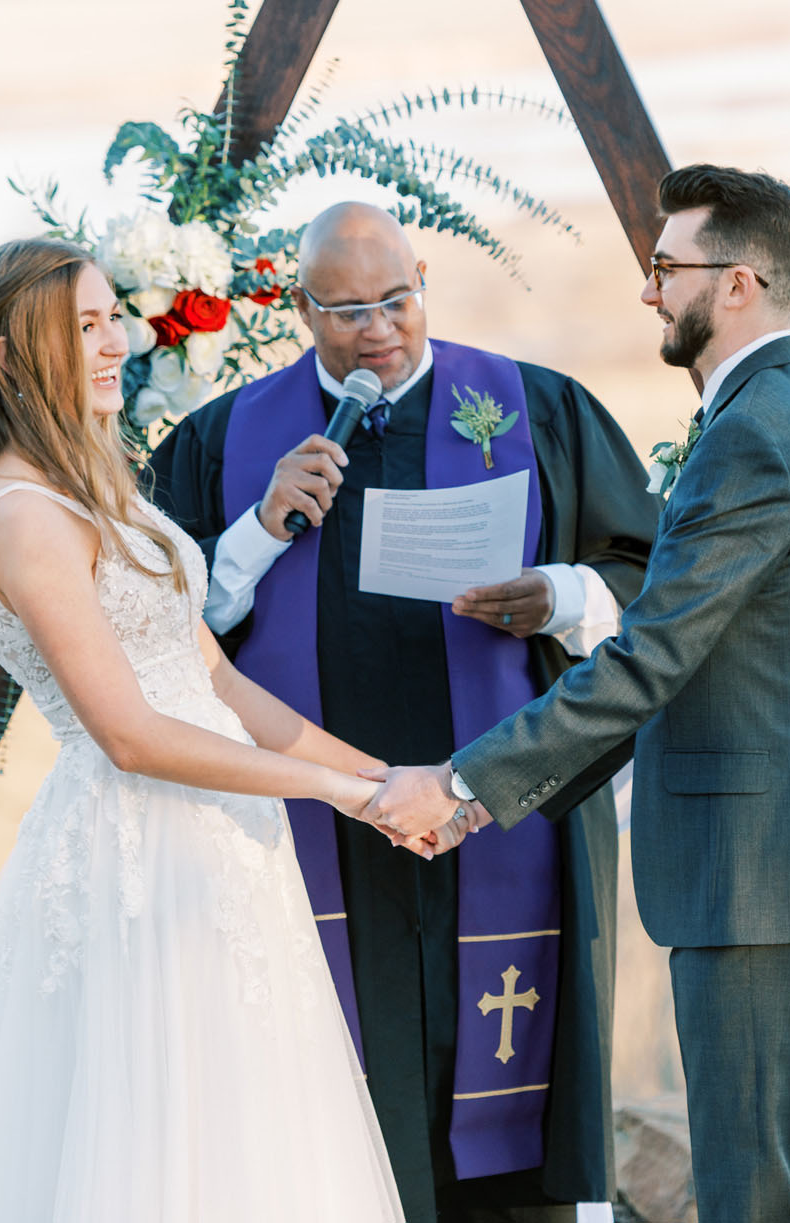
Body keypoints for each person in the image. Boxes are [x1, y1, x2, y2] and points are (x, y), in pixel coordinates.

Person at [0, 238, 426, 1223]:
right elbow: (131, 735)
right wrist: (344, 794)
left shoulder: (101, 493)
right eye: (86, 327)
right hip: (136, 863)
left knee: (245, 1140)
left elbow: (218, 681)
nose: (116, 343)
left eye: (113, 317)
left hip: (223, 853)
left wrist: (394, 779)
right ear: (14, 360)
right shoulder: (20, 518)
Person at [368, 167, 790, 1223]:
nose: (650, 292)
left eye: (667, 268)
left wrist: (468, 779)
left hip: (762, 868)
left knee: (755, 1197)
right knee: (786, 1190)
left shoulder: (755, 435)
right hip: (781, 860)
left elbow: (652, 659)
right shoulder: (774, 411)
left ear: (740, 282)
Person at [146, 203, 659, 1223]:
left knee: (512, 1124)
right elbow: (157, 639)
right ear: (301, 307)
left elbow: (650, 575)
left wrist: (556, 593)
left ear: (422, 277)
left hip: (497, 805)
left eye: (397, 298)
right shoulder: (224, 443)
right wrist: (255, 528)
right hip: (317, 817)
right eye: (346, 312)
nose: (378, 328)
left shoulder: (537, 409)